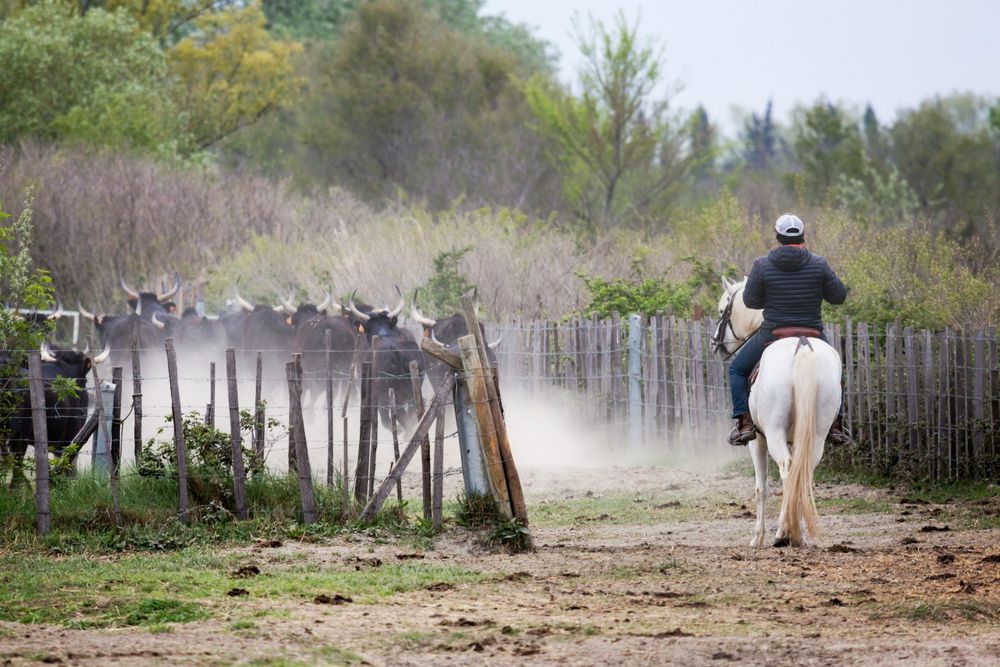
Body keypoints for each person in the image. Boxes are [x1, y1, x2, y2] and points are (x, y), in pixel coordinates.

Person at [728, 213, 851, 446]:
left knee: (737, 370)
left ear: (778, 237)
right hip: (812, 332)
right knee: (835, 373)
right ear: (803, 236)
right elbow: (838, 296)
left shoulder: (762, 265)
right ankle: (836, 425)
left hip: (773, 332)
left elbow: (751, 301)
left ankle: (744, 424)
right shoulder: (819, 263)